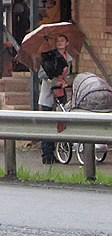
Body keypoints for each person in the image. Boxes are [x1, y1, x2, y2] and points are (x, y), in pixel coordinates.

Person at [37, 33, 74, 165]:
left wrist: (65, 82)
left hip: (61, 93)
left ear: (67, 43)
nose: (60, 43)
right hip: (49, 94)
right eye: (58, 41)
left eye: (62, 40)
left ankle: (56, 151)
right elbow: (41, 74)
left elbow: (68, 75)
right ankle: (47, 154)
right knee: (48, 124)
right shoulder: (49, 57)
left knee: (58, 124)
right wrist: (52, 79)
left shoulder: (68, 59)